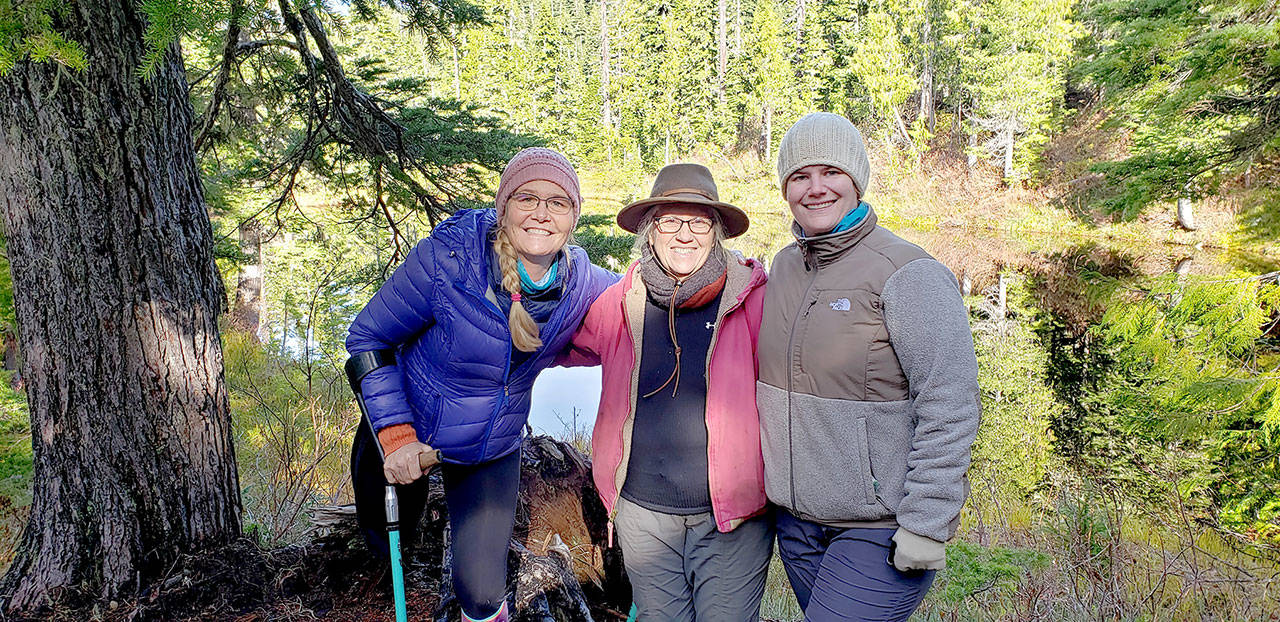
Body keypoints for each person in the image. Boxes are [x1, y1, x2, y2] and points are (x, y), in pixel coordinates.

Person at [345, 147, 617, 622]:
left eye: (558, 203)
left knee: (482, 593)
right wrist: (395, 436)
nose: (540, 213)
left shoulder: (582, 283)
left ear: (574, 217)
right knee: (384, 547)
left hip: (489, 450)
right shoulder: (449, 260)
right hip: (408, 432)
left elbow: (644, 299)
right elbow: (368, 338)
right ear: (502, 207)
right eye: (526, 198)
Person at [756, 112, 981, 621]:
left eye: (830, 173)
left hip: (878, 527)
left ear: (856, 179)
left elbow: (950, 402)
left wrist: (927, 521)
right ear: (785, 189)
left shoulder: (908, 273)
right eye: (799, 176)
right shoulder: (786, 266)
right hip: (798, 525)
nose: (815, 189)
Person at [559, 163, 773, 621]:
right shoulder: (621, 299)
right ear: (650, 232)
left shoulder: (754, 299)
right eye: (669, 221)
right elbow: (556, 342)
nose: (684, 234)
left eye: (698, 222)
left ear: (716, 232)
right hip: (642, 516)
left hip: (730, 519)